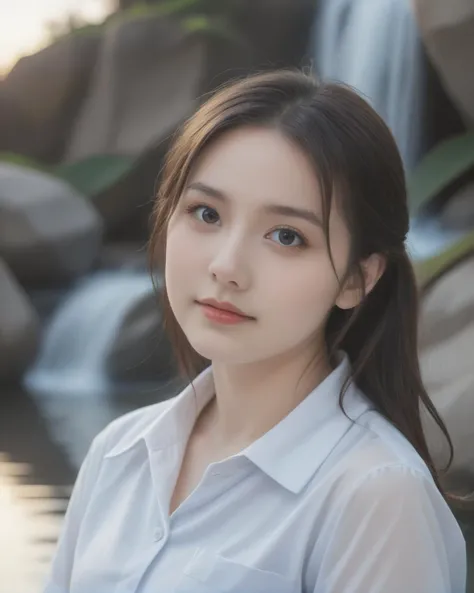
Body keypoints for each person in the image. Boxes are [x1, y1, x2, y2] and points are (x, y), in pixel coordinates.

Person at [43, 70, 466, 593]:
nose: (226, 266)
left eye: (286, 236)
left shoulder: (376, 496)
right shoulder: (119, 452)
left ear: (358, 278)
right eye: (206, 213)